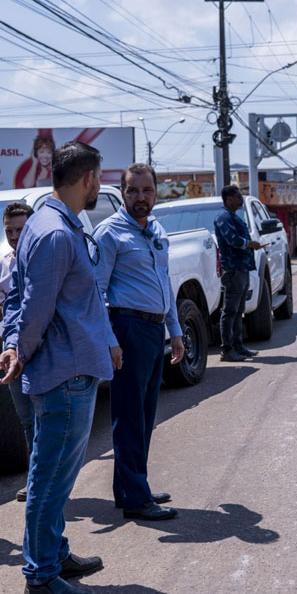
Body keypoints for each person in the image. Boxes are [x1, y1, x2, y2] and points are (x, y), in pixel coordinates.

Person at [0, 141, 113, 594]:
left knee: (57, 478)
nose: (99, 187)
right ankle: (40, 577)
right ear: (87, 178)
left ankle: (54, 555)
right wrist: (16, 350)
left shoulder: (50, 218)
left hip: (70, 366)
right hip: (63, 374)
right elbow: (34, 307)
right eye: (99, 179)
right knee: (49, 481)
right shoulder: (55, 233)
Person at [93, 163, 183, 521]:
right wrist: (110, 339)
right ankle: (135, 497)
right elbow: (96, 291)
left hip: (153, 329)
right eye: (133, 191)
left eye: (147, 191)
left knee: (145, 416)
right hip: (126, 328)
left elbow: (165, 282)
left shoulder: (157, 229)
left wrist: (175, 330)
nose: (140, 198)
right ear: (122, 192)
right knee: (129, 416)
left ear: (156, 191)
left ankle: (133, 486)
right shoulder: (109, 233)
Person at [0, 201, 35, 502]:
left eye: (21, 229)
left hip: (42, 350)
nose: (15, 235)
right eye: (9, 231)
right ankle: (35, 478)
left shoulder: (45, 262)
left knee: (48, 418)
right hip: (12, 351)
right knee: (26, 419)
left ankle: (51, 477)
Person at [213, 185, 264, 362]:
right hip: (233, 270)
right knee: (230, 310)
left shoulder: (233, 216)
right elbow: (232, 239)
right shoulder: (223, 217)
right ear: (228, 199)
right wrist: (251, 244)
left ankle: (238, 345)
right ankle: (227, 349)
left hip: (242, 268)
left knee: (238, 310)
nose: (241, 200)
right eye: (238, 197)